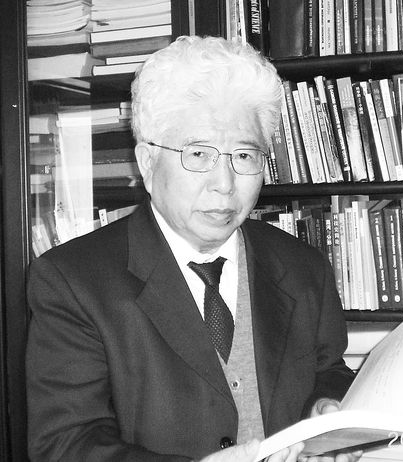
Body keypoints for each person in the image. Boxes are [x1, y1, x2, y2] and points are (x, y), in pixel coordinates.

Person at [26, 36, 360, 462]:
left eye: (244, 155)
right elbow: (66, 444)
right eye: (199, 154)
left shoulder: (303, 266)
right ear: (147, 163)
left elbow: (329, 371)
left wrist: (326, 410)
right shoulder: (72, 281)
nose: (224, 183)